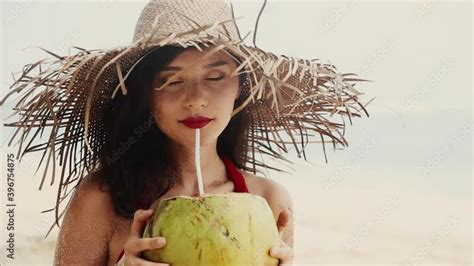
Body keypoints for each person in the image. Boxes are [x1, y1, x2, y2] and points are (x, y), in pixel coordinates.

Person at [0, 0, 371, 265]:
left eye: (215, 76)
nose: (196, 100)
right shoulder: (101, 199)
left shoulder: (269, 202)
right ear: (146, 95)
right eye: (172, 81)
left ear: (241, 86)